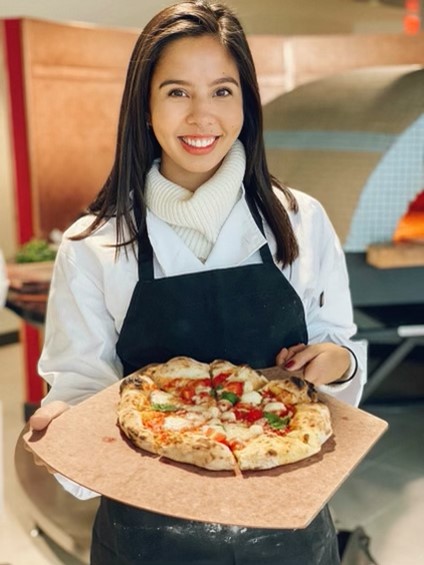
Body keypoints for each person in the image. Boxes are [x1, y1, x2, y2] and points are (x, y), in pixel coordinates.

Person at [29, 1, 367, 563]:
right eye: (178, 92)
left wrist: (338, 361)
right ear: (144, 106)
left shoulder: (301, 219)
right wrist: (67, 435)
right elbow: (79, 389)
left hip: (287, 530)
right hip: (146, 534)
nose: (202, 116)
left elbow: (341, 347)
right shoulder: (93, 243)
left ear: (247, 104)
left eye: (222, 91)